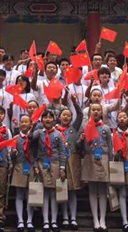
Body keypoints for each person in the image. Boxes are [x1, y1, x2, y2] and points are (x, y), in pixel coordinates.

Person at [79, 103, 112, 232]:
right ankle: (95, 220)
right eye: (93, 110)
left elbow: (110, 146)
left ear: (102, 113)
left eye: (99, 110)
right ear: (89, 112)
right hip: (90, 158)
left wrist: (111, 162)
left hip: (103, 159)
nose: (96, 112)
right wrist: (81, 139)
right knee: (92, 190)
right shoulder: (85, 127)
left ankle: (102, 219)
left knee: (103, 190)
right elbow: (79, 146)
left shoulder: (106, 128)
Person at [32, 109, 65, 232]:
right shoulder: (38, 132)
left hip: (55, 163)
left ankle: (54, 221)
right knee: (45, 193)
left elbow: (62, 152)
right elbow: (30, 139)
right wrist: (33, 126)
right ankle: (46, 221)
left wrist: (62, 168)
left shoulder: (58, 134)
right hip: (42, 163)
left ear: (54, 120)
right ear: (42, 120)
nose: (48, 119)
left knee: (54, 193)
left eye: (50, 117)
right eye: (45, 117)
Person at [56, 99, 83, 230]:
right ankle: (65, 217)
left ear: (71, 118)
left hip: (72, 160)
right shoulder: (55, 130)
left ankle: (73, 218)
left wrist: (75, 103)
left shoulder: (73, 128)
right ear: (59, 117)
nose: (66, 117)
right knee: (62, 189)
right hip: (59, 161)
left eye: (68, 115)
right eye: (64, 115)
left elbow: (81, 115)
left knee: (72, 191)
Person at [11, 114, 35, 232]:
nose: (24, 124)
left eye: (26, 122)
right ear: (19, 124)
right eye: (22, 122)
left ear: (31, 124)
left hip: (31, 167)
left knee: (31, 195)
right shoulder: (16, 138)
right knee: (19, 194)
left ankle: (29, 220)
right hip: (19, 166)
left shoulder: (34, 137)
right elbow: (12, 157)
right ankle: (20, 220)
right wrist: (13, 153)